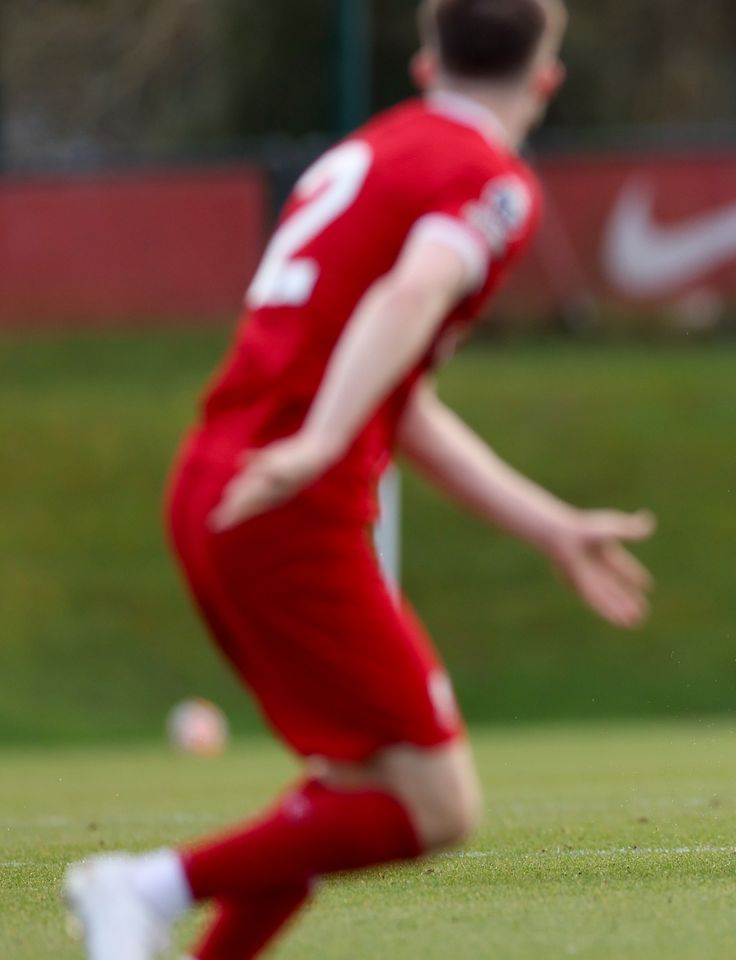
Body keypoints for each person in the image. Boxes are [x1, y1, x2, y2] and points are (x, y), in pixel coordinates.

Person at [62, 2, 655, 957]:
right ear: (547, 79)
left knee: (356, 788)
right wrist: (320, 442)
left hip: (219, 483)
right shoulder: (490, 180)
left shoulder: (372, 152)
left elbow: (400, 397)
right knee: (438, 804)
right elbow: (412, 292)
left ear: (425, 64)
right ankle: (148, 887)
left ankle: (154, 906)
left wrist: (547, 525)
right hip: (290, 502)